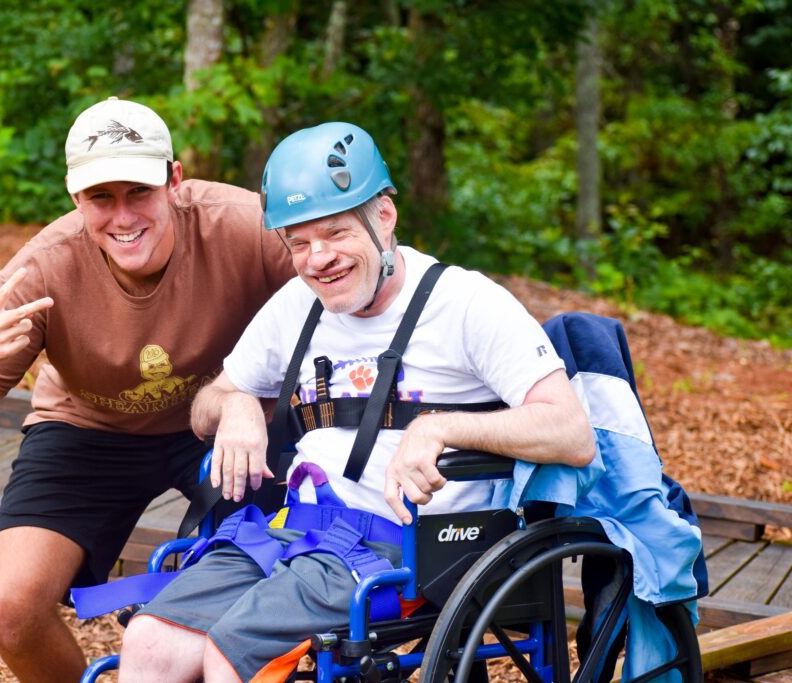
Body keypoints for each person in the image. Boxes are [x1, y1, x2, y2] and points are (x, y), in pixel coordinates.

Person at [117, 122, 596, 683]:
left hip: (410, 550)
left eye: (336, 233)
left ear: (384, 217)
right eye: (298, 242)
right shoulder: (297, 305)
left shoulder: (467, 304)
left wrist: (443, 429)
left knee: (233, 656)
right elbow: (210, 402)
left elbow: (572, 432)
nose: (318, 259)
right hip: (291, 530)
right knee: (148, 642)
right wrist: (236, 404)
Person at [0, 97, 294, 683]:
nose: (122, 216)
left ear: (173, 181)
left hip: (225, 421)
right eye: (101, 197)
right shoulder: (42, 270)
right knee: (11, 608)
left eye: (138, 192)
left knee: (257, 579)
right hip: (90, 428)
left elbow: (343, 292)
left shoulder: (246, 226)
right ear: (75, 198)